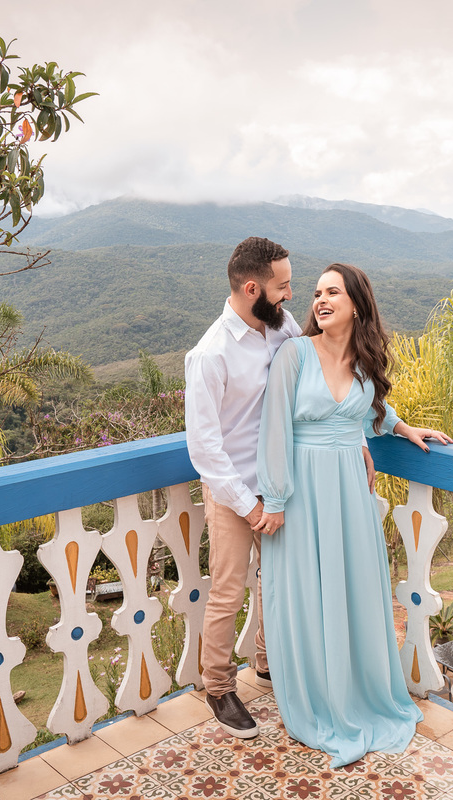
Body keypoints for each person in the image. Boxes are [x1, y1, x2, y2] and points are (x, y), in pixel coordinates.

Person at [255, 262, 451, 767]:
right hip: (301, 492)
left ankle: (362, 693)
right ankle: (321, 701)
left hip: (350, 494)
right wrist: (274, 500)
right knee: (306, 595)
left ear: (357, 305)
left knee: (354, 591)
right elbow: (273, 429)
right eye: (316, 293)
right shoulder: (293, 355)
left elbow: (368, 412)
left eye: (332, 292)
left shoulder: (364, 363)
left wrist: (405, 429)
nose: (320, 300)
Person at [183, 236, 300, 739]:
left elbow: (320, 371)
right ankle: (219, 687)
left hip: (276, 486)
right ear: (253, 288)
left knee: (275, 582)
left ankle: (270, 665)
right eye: (283, 286)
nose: (291, 295)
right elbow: (205, 450)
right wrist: (249, 506)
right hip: (232, 493)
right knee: (228, 592)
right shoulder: (209, 355)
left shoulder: (280, 328)